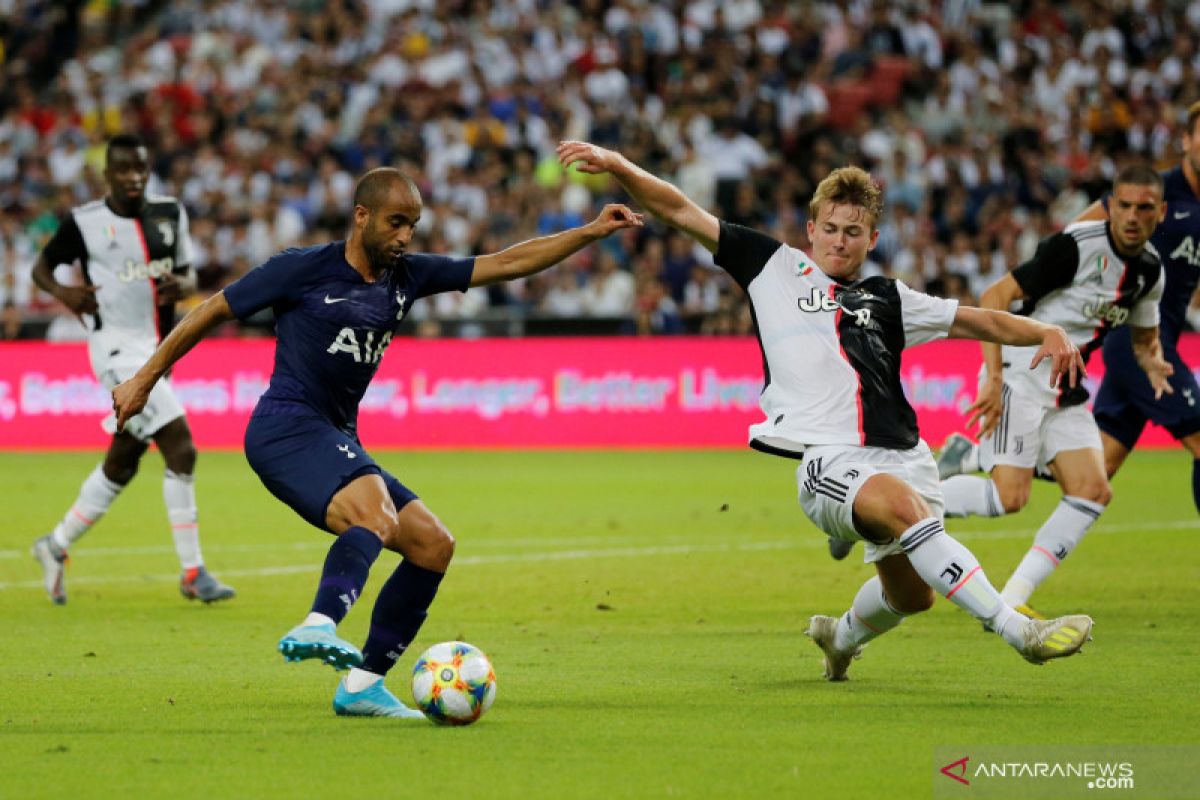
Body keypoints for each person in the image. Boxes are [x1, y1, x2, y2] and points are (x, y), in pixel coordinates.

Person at [112, 167, 642, 717]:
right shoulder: (301, 269)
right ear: (361, 216)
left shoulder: (406, 277)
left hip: (335, 434)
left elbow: (507, 263)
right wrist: (145, 379)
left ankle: (362, 684)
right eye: (396, 222)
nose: (405, 237)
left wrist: (589, 231)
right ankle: (320, 622)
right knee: (376, 513)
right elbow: (211, 309)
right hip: (285, 426)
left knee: (433, 545)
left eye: (412, 225)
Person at [556, 140, 1093, 681]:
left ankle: (840, 637)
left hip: (905, 455)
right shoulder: (772, 267)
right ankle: (1017, 630)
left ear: (872, 239)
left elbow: (982, 321)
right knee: (907, 513)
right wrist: (621, 165)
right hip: (828, 461)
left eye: (853, 232)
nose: (840, 241)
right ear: (811, 229)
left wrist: (1045, 330)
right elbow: (679, 210)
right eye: (831, 229)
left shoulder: (891, 298)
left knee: (912, 596)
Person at [940, 101, 1200, 514]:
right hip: (1094, 350)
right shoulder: (1150, 193)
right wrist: (1062, 269)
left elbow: (1173, 297)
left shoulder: (1163, 257)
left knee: (1097, 478)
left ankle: (971, 459)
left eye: (1142, 211)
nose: (1134, 215)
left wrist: (1158, 349)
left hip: (1129, 350)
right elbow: (1080, 236)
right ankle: (918, 500)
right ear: (1186, 140)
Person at [936, 164, 1171, 617]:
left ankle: (1011, 600)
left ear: (1160, 212)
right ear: (1110, 207)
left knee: (1093, 490)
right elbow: (995, 296)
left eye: (1144, 208)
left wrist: (1154, 362)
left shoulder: (1150, 274)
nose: (1132, 216)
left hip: (1067, 384)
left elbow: (1144, 339)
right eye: (1123, 205)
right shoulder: (1075, 248)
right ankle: (905, 497)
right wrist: (996, 376)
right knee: (1010, 497)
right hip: (1021, 370)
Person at [29, 133, 235, 605]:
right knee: (181, 447)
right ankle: (193, 572)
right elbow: (41, 268)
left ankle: (54, 546)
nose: (133, 177)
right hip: (115, 351)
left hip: (160, 351)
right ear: (107, 174)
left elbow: (189, 275)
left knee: (122, 462)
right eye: (123, 169)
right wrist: (65, 294)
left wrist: (177, 286)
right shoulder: (84, 222)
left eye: (140, 168)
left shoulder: (169, 214)